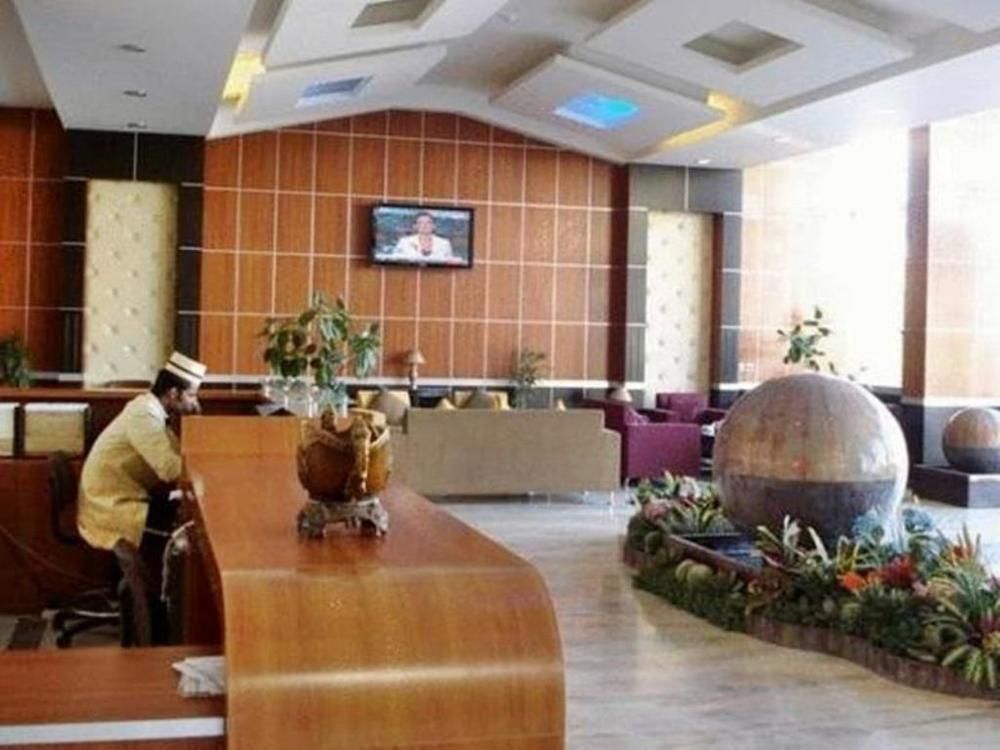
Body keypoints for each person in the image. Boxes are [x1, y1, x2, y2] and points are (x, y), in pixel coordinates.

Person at [77, 352, 206, 640]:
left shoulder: (152, 410)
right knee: (177, 538)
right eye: (191, 396)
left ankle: (158, 614)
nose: (194, 402)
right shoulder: (144, 415)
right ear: (173, 393)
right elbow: (170, 468)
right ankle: (157, 624)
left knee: (177, 522)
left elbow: (177, 456)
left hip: (125, 494)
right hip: (110, 503)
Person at [393, 211, 460, 263]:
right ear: (415, 226)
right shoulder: (404, 242)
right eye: (420, 223)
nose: (424, 225)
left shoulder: (444, 243)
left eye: (428, 222)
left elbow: (450, 262)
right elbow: (394, 260)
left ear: (434, 226)